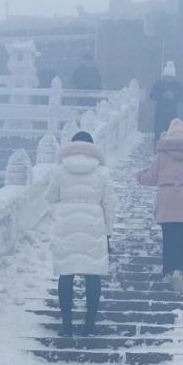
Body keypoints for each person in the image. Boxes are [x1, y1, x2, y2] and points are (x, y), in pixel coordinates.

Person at [47, 130, 115, 336]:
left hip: (66, 224)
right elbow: (109, 205)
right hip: (94, 225)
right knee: (92, 275)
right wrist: (108, 232)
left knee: (66, 274)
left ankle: (67, 324)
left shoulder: (60, 171)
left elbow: (50, 197)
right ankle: (89, 323)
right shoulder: (102, 172)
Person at [135, 119, 183, 292]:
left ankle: (169, 270)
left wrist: (138, 175)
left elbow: (150, 177)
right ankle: (181, 269)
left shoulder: (163, 154)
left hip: (167, 198)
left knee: (168, 236)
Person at [149, 62, 183, 145]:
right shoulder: (158, 84)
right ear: (164, 76)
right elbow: (151, 96)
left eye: (170, 77)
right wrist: (162, 96)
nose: (168, 79)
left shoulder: (178, 85)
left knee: (171, 134)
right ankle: (157, 153)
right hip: (160, 113)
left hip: (172, 113)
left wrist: (174, 96)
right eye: (167, 77)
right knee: (158, 134)